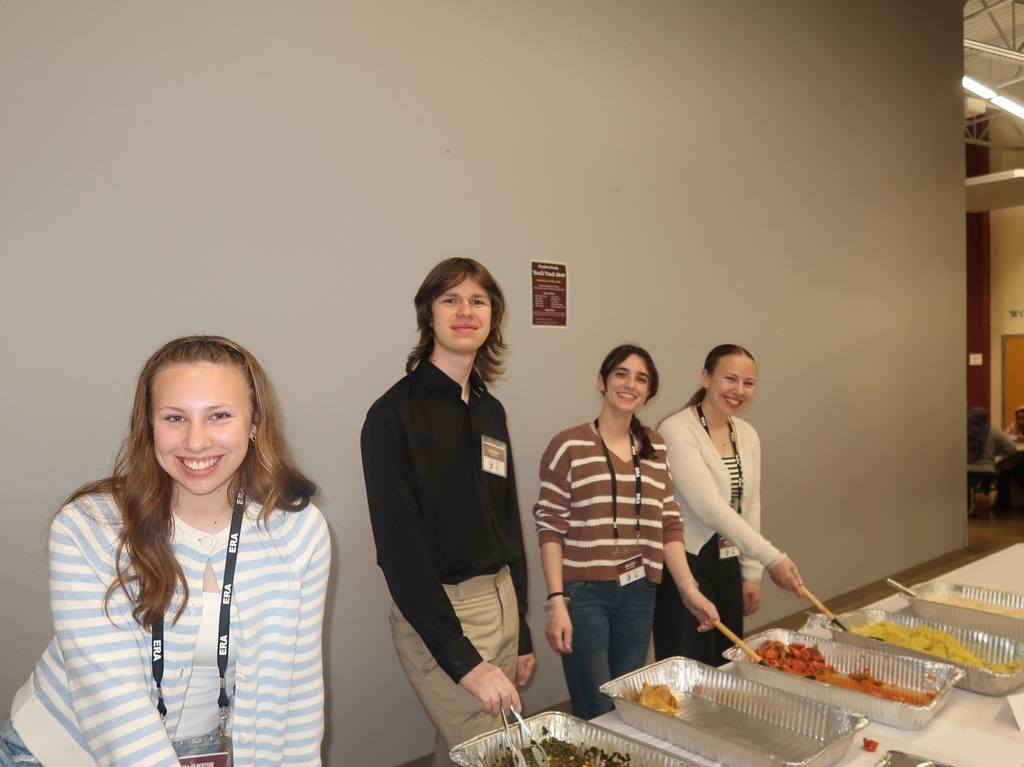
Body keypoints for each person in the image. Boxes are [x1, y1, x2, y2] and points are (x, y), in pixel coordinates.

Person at [1, 336, 331, 767]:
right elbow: (113, 703)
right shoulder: (92, 528)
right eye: (175, 417)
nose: (196, 442)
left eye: (219, 416)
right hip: (65, 752)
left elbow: (295, 695)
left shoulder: (297, 532)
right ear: (150, 425)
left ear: (254, 424)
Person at [360, 258, 534, 767]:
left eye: (478, 301)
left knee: (470, 748)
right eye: (450, 299)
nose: (465, 311)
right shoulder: (392, 417)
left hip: (501, 600)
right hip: (444, 612)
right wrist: (463, 660)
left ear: (492, 317)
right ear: (428, 315)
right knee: (492, 753)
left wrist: (520, 625)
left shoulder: (488, 408)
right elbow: (400, 554)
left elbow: (506, 523)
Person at [534, 345, 718, 718]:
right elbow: (550, 526)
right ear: (602, 381)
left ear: (649, 392)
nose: (630, 384)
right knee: (598, 706)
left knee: (629, 704)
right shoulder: (568, 445)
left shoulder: (655, 448)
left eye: (641, 378)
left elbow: (669, 523)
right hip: (584, 595)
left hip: (640, 592)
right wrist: (557, 602)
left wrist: (688, 590)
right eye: (621, 374)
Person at [651, 344, 803, 667]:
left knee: (729, 665)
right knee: (692, 668)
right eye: (730, 379)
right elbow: (708, 507)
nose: (739, 390)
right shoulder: (676, 430)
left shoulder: (746, 434)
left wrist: (751, 573)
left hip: (728, 560)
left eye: (748, 383)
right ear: (706, 378)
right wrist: (771, 557)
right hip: (687, 562)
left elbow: (749, 505)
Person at [969, 406, 1017, 515]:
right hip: (987, 472)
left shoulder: (961, 433)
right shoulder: (992, 432)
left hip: (965, 471)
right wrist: (995, 451)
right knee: (1001, 469)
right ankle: (985, 486)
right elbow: (1012, 448)